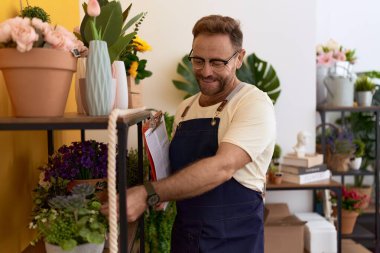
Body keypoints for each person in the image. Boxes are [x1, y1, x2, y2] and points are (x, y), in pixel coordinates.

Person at [119, 15, 276, 252]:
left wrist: (148, 193)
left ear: (239, 59)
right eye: (198, 60)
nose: (206, 71)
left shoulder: (253, 103)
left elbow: (223, 167)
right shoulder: (186, 107)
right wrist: (158, 187)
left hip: (233, 243)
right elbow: (177, 172)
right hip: (186, 240)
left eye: (217, 62)